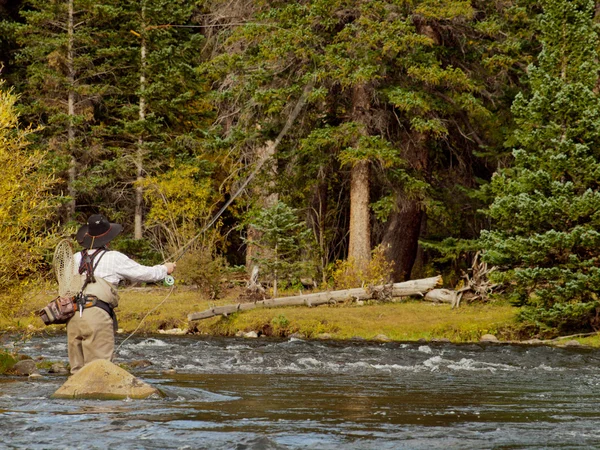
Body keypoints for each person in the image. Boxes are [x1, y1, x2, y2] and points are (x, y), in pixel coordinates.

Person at [67, 213, 176, 373]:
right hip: (97, 314)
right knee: (100, 370)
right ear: (108, 239)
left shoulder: (75, 258)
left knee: (77, 372)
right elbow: (144, 273)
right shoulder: (114, 258)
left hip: (73, 316)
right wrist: (165, 269)